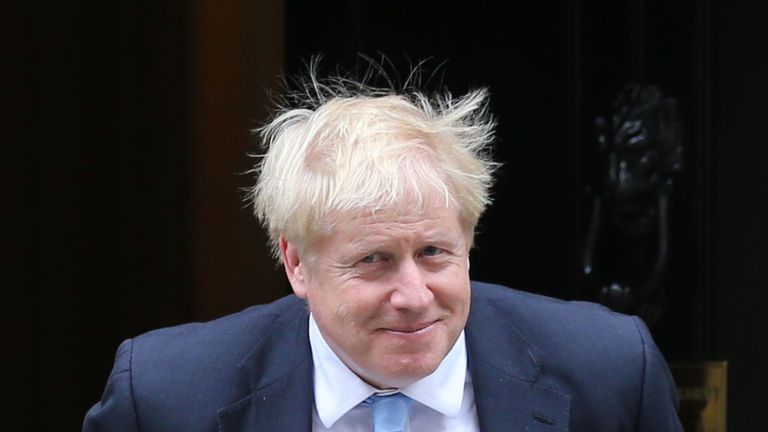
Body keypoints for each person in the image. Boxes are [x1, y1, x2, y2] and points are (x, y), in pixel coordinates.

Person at [83, 65, 683, 431]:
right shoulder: (166, 396)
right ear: (296, 263)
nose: (414, 296)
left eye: (434, 253)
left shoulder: (608, 371)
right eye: (373, 260)